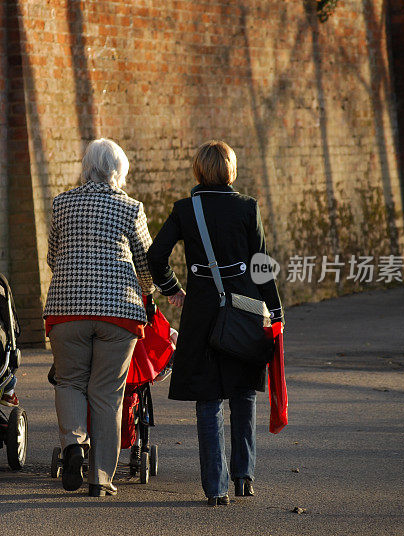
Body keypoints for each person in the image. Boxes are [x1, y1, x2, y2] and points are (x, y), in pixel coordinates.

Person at [147, 140, 283, 506]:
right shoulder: (247, 208)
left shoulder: (184, 210)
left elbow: (155, 255)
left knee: (208, 400)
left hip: (203, 314)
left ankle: (216, 488)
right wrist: (277, 311)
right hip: (244, 311)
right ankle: (244, 477)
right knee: (242, 392)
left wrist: (173, 290)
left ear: (199, 170)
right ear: (230, 170)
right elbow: (260, 266)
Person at [44, 138, 155, 497]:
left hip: (66, 309)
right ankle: (100, 479)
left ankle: (73, 445)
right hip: (118, 314)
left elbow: (52, 257)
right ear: (118, 170)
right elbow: (146, 266)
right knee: (107, 393)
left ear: (85, 167)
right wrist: (149, 293)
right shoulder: (131, 208)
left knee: (70, 382)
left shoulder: (61, 204)